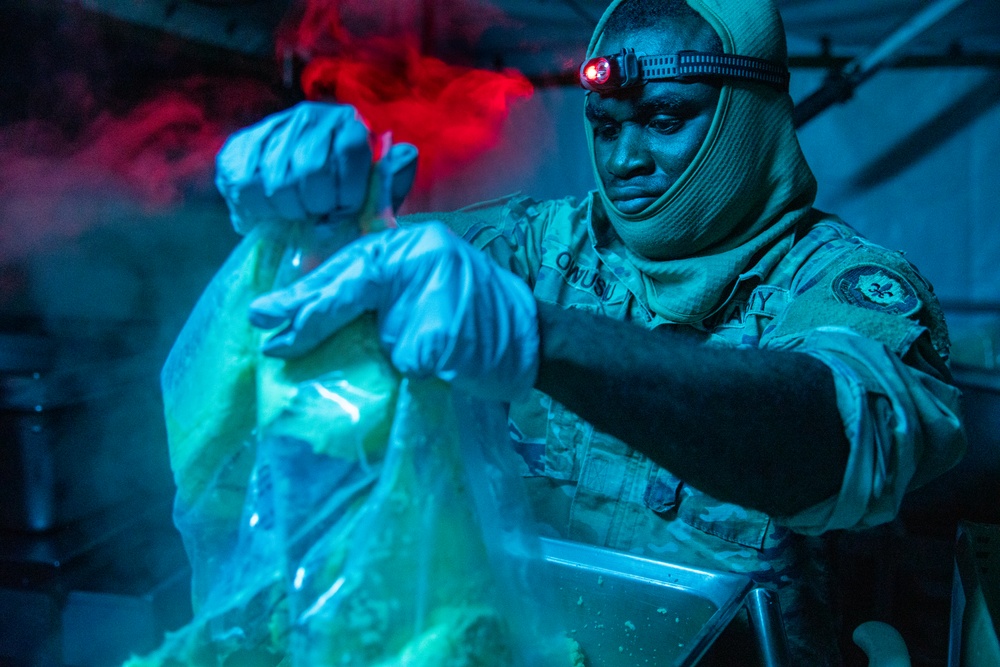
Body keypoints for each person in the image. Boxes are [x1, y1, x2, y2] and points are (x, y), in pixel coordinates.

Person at [214, 0, 965, 662]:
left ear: (749, 112)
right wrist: (315, 229)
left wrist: (539, 340)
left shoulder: (844, 286)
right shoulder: (539, 247)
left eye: (666, 119)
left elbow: (832, 442)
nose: (627, 158)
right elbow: (346, 290)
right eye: (605, 128)